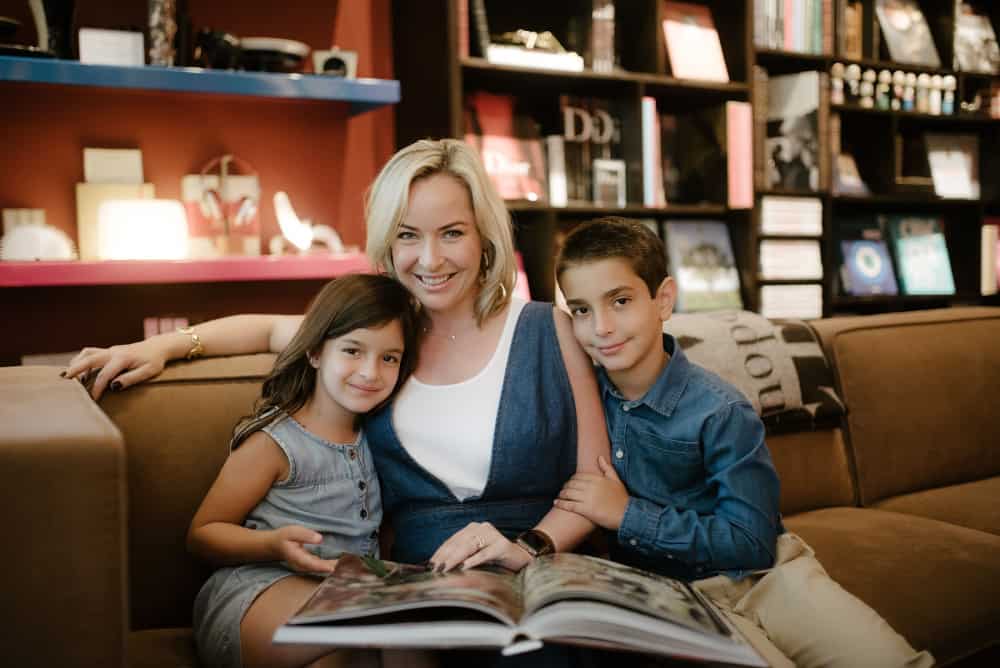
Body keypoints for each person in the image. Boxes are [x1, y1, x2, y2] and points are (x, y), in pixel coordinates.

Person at [65, 139, 610, 661]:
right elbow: (265, 330)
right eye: (407, 235)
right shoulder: (375, 339)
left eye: (451, 233)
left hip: (535, 569)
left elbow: (597, 479)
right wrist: (162, 346)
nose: (429, 258)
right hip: (424, 591)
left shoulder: (548, 330)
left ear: (484, 238)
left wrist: (529, 547)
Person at [553, 217, 934, 668]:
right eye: (581, 310)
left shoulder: (720, 410)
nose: (601, 327)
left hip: (769, 577)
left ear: (664, 300)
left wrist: (627, 515)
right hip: (674, 598)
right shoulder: (582, 398)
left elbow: (752, 541)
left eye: (620, 301)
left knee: (889, 662)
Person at [187, 274, 419, 668]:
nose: (370, 372)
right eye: (352, 350)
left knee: (407, 640)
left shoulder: (380, 438)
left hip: (344, 594)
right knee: (361, 633)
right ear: (315, 352)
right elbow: (202, 534)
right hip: (259, 590)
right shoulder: (276, 443)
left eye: (389, 358)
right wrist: (273, 545)